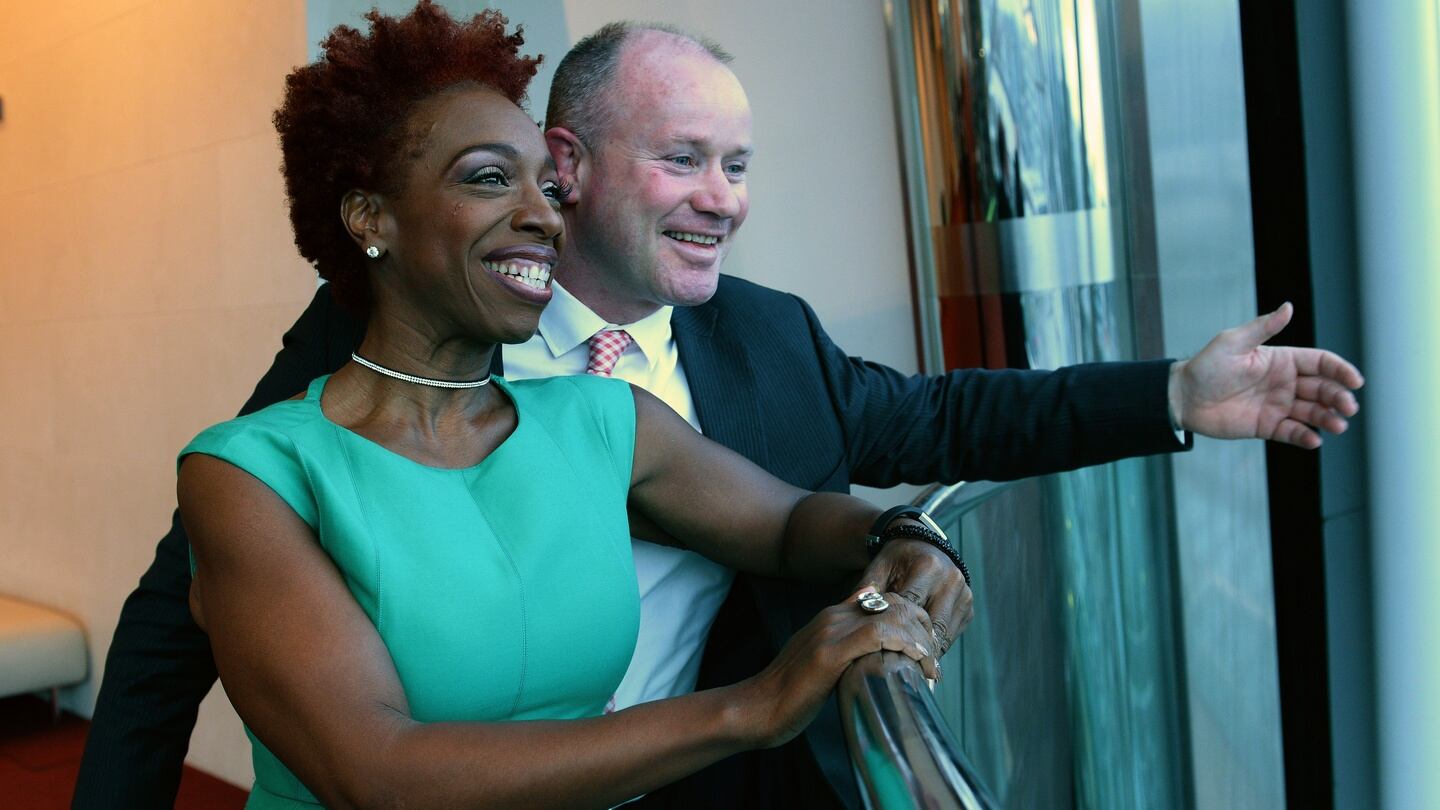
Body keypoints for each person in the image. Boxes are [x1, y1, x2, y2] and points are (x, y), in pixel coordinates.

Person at [74, 17, 1365, 810]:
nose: (723, 198)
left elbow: (927, 435)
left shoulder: (721, 362)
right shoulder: (344, 365)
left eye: (737, 165)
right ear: (575, 168)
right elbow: (182, 625)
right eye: (685, 158)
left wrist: (1169, 399)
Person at [166, 5, 965, 807]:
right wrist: (753, 705)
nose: (546, 214)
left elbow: (790, 526)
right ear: (370, 217)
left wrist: (903, 534)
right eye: (487, 178)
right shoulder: (250, 476)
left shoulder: (601, 419)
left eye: (548, 188)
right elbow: (381, 771)